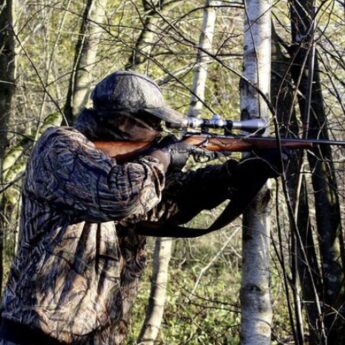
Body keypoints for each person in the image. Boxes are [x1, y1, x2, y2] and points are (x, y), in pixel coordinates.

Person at [0, 71, 281, 345]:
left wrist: (238, 175)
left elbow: (168, 206)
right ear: (123, 121)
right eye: (152, 123)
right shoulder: (60, 146)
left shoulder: (125, 169)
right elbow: (120, 195)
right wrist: (163, 157)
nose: (159, 132)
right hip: (35, 334)